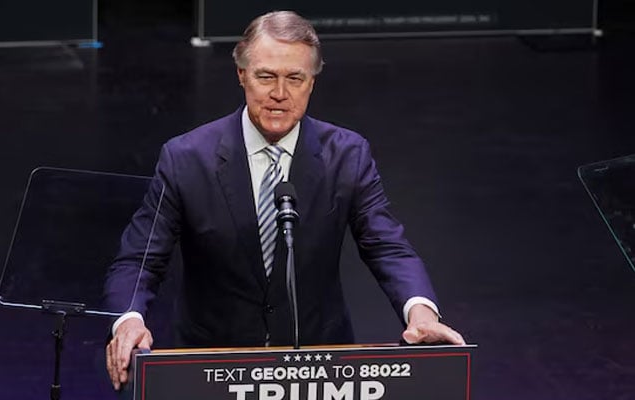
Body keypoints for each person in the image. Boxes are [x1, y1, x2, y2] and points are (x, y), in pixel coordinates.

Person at [104, 10, 465, 391]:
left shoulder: (347, 155)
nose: (280, 93)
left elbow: (387, 246)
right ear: (241, 74)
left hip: (318, 367)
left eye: (295, 78)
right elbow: (140, 257)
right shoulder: (186, 157)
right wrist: (128, 319)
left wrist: (420, 310)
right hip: (213, 366)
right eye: (266, 76)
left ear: (312, 82)